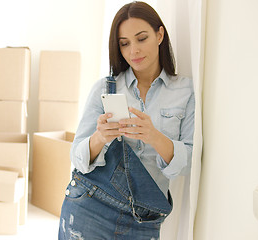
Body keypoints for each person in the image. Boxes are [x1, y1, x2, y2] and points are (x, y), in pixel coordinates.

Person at [58, 1, 195, 239]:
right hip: (91, 206)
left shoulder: (184, 91)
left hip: (145, 219)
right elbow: (77, 159)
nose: (134, 51)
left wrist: (154, 136)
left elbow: (188, 162)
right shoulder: (105, 88)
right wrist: (100, 137)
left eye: (142, 38)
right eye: (124, 44)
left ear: (159, 34)